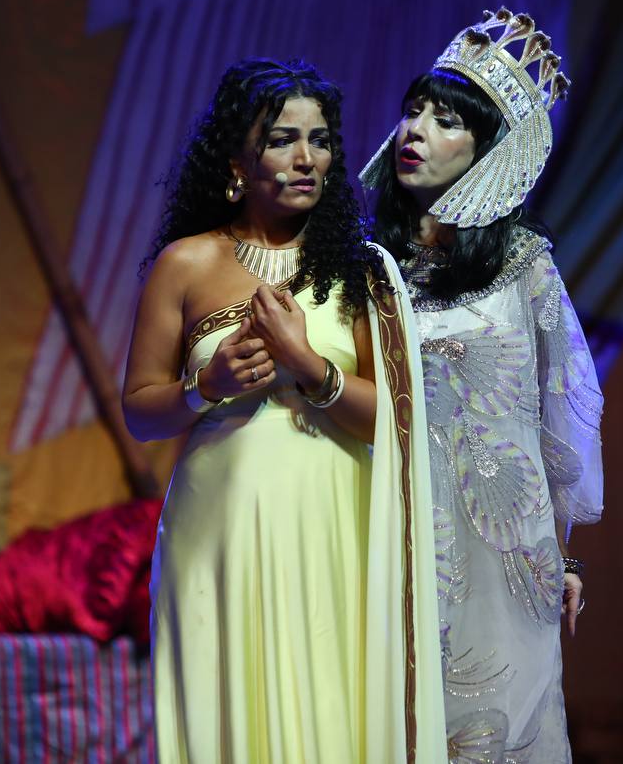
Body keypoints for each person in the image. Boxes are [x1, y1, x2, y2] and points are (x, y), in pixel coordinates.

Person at [122, 59, 445, 763]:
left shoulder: (363, 271)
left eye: (320, 140)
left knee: (328, 708)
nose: (307, 158)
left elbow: (398, 420)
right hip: (219, 529)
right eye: (282, 140)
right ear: (237, 163)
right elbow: (141, 412)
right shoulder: (185, 265)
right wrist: (205, 386)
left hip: (331, 522)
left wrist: (310, 367)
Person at [363, 9, 604, 762]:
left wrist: (562, 554)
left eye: (446, 121)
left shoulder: (524, 264)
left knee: (504, 729)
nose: (415, 130)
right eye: (413, 111)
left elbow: (565, 411)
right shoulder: (367, 267)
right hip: (399, 533)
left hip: (509, 552)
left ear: (488, 151)